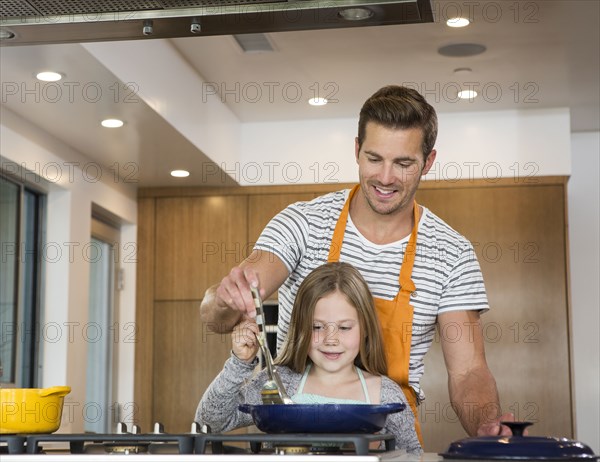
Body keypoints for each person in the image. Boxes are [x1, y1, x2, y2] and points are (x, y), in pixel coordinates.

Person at [200, 85, 514, 441]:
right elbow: (220, 314)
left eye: (404, 163)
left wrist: (486, 427)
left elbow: (469, 371)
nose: (384, 177)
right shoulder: (302, 225)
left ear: (428, 161)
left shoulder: (452, 253)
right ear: (356, 150)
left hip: (383, 441)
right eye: (374, 158)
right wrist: (226, 301)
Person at [196, 262, 422, 454]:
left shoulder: (386, 392)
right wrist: (239, 362)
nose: (330, 339)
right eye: (317, 326)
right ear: (301, 328)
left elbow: (413, 456)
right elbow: (210, 421)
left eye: (344, 327)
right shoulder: (279, 383)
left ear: (365, 330)